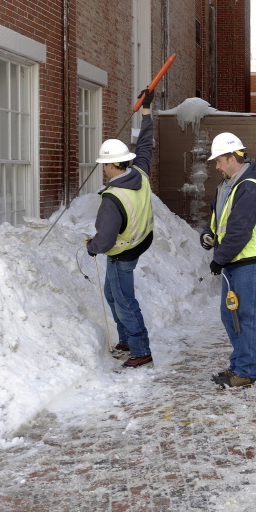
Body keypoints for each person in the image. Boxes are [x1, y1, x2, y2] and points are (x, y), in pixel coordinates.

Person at [86, 88, 155, 368]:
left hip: (123, 251)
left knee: (124, 300)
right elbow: (146, 144)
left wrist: (92, 247)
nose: (104, 169)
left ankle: (140, 350)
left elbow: (105, 240)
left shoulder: (112, 199)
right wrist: (147, 111)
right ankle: (127, 339)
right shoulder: (139, 171)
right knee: (112, 294)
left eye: (105, 164)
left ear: (115, 164)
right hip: (140, 241)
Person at [201, 133, 256, 389]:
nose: (216, 166)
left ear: (232, 158)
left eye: (219, 160)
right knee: (230, 316)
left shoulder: (248, 187)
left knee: (245, 316)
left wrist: (219, 258)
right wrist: (208, 234)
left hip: (247, 262)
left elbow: (240, 231)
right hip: (235, 261)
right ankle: (239, 365)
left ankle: (245, 371)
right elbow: (217, 217)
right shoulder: (227, 185)